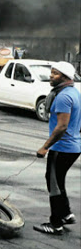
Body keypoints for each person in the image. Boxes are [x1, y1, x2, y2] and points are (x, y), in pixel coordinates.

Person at [34, 61, 80, 235]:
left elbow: (61, 127)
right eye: (51, 72)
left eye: (55, 73)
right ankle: (66, 214)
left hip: (62, 148)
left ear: (65, 77)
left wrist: (45, 147)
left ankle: (55, 224)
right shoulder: (74, 92)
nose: (51, 76)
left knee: (53, 183)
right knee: (58, 181)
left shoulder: (62, 97)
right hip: (74, 146)